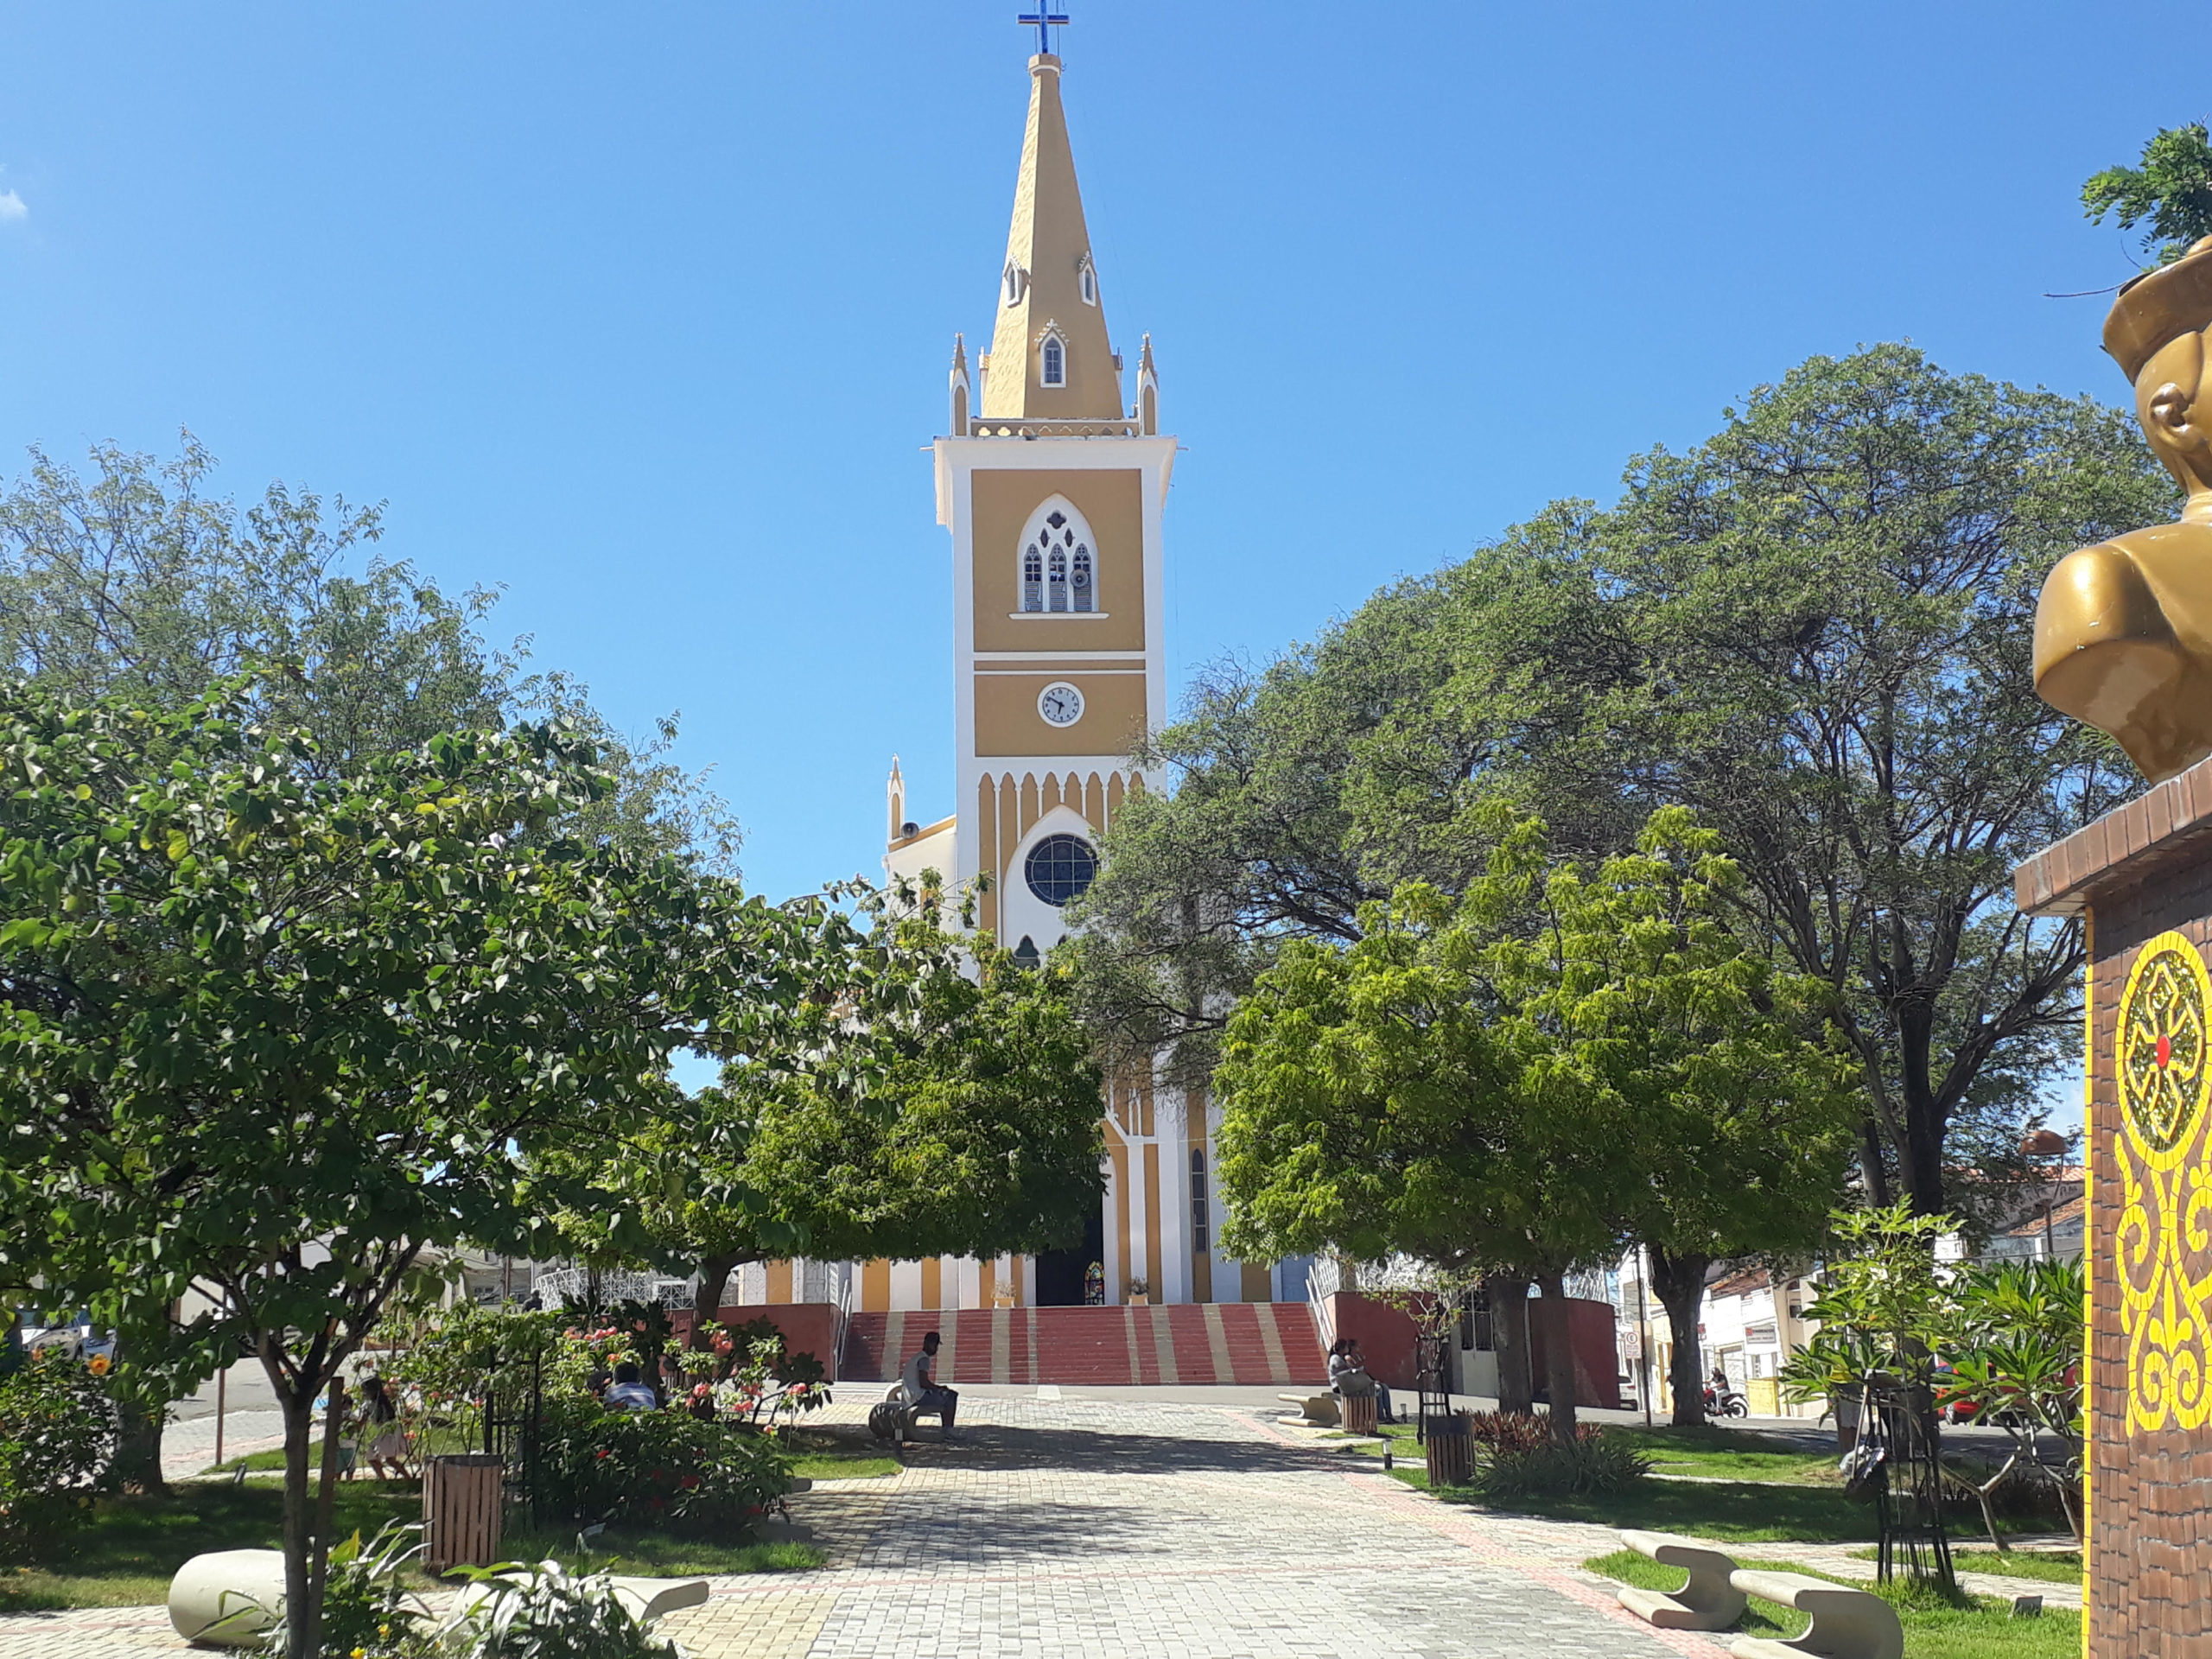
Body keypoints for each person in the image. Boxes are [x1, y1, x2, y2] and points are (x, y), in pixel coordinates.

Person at [901, 1331, 959, 1440]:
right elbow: (924, 1383)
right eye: (936, 1345)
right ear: (930, 1344)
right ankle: (948, 1429)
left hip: (910, 1396)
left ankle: (946, 1429)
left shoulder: (917, 1357)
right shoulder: (924, 1359)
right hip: (917, 1397)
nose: (936, 1349)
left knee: (945, 1395)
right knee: (951, 1396)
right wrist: (938, 1388)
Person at [352, 1373, 407, 1480]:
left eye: (365, 1390)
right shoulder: (369, 1404)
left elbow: (386, 1418)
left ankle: (407, 1478)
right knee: (372, 1457)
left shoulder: (383, 1403)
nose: (364, 1393)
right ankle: (383, 1479)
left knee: (389, 1459)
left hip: (389, 1431)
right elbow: (362, 1421)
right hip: (385, 1432)